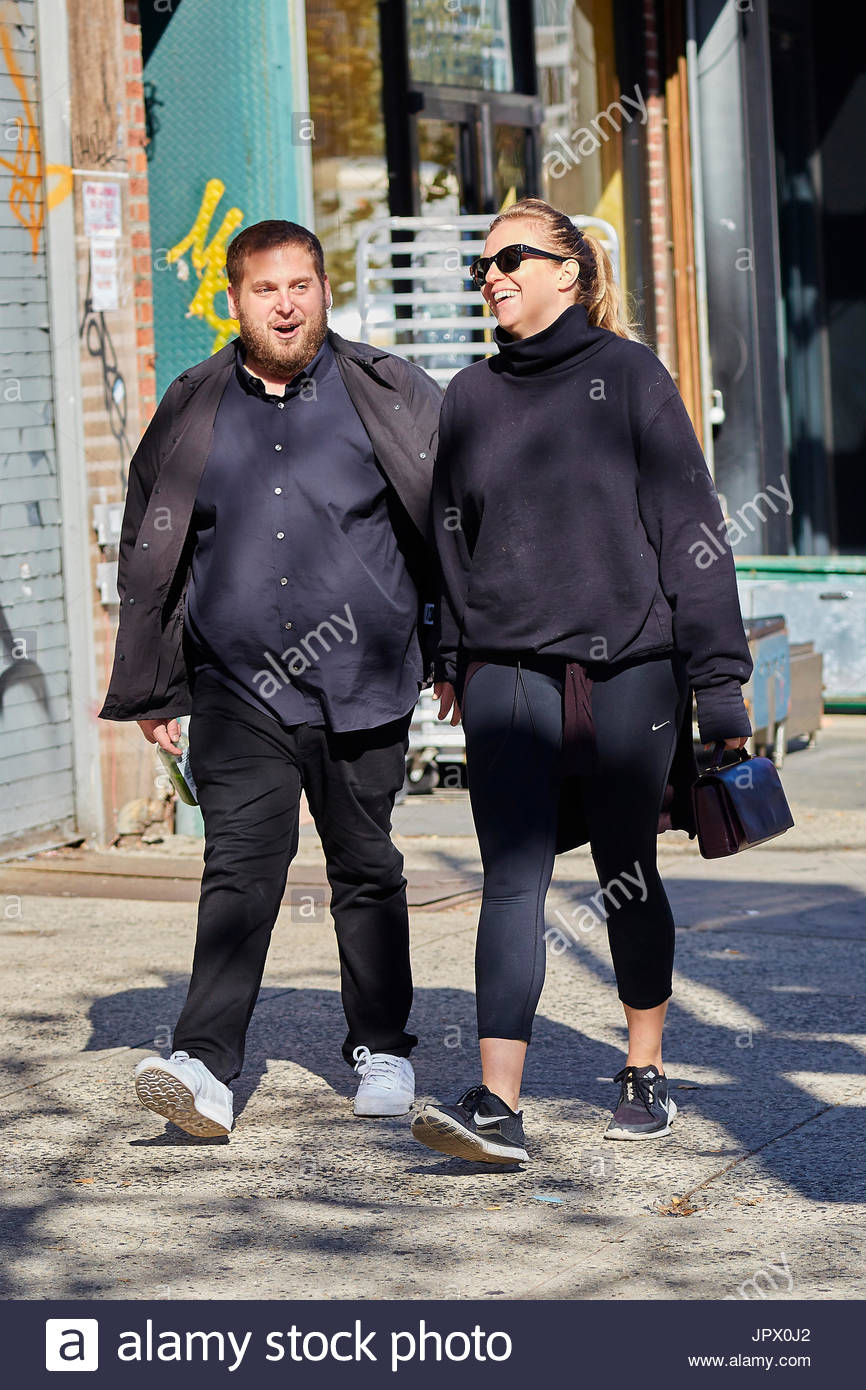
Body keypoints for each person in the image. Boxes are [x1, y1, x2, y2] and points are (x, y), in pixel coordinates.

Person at [411, 198, 753, 1165]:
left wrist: (719, 683)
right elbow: (446, 535)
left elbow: (692, 529)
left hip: (630, 671)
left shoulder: (631, 376)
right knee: (512, 882)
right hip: (505, 670)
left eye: (512, 257)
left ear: (571, 270)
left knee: (624, 872)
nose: (493, 276)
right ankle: (495, 1103)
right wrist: (450, 655)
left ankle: (643, 1067)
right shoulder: (469, 395)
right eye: (481, 266)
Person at [100, 220, 442, 1137]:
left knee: (366, 869)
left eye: (301, 285)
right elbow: (151, 544)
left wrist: (453, 656)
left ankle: (382, 1047)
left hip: (364, 680)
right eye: (266, 289)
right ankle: (204, 1066)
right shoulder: (193, 404)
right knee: (239, 871)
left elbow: (449, 526)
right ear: (234, 300)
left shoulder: (390, 394)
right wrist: (154, 682)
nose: (286, 305)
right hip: (236, 685)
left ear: (324, 290)